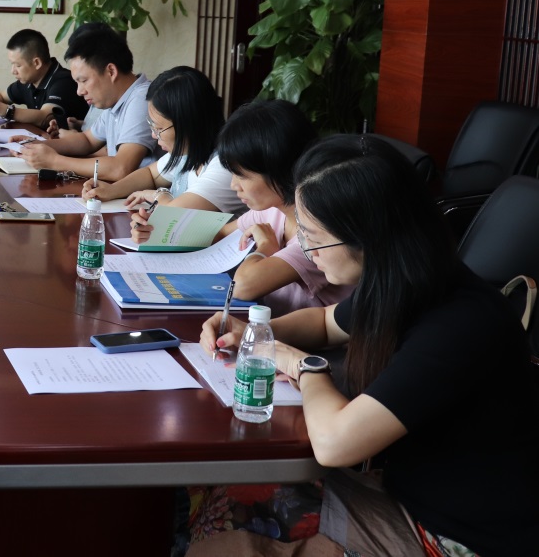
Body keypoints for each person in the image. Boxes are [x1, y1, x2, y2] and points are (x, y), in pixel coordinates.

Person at [192, 135, 539, 557]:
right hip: (411, 493)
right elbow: (325, 323)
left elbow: (335, 443)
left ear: (368, 237)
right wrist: (254, 331)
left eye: (314, 238)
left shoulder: (460, 324)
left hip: (457, 536)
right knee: (223, 486)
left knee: (236, 506)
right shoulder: (402, 278)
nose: (307, 251)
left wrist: (305, 367)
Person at [212, 100, 349, 314]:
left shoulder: (319, 235)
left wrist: (266, 247)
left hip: (306, 335)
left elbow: (243, 287)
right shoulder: (272, 211)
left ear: (278, 169)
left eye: (242, 176)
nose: (234, 185)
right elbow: (218, 234)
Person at [80, 66, 241, 215]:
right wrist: (111, 190)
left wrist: (158, 195)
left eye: (158, 128)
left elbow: (173, 214)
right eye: (151, 126)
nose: (153, 135)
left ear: (188, 124)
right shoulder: (188, 152)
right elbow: (150, 174)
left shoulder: (224, 165)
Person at [18, 22, 156, 181]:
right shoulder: (117, 100)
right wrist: (34, 146)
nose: (79, 91)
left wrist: (54, 161)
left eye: (83, 81)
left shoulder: (142, 98)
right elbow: (87, 140)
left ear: (111, 71)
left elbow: (121, 168)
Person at [0, 28, 87, 127]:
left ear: (36, 63)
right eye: (12, 64)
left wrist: (1, 109)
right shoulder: (29, 81)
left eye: (18, 65)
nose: (13, 71)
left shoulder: (64, 81)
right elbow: (1, 96)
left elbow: (45, 117)